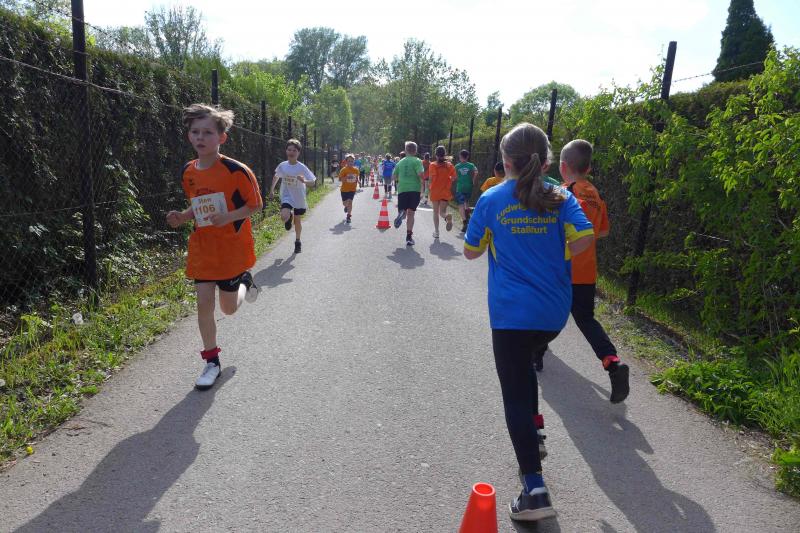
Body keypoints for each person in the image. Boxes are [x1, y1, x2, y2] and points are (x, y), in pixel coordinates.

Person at [463, 123, 594, 521]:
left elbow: (471, 251)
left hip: (511, 315)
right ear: (547, 161)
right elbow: (585, 239)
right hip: (552, 314)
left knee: (515, 394)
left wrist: (500, 236)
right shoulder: (561, 196)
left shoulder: (492, 198)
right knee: (526, 371)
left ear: (505, 161)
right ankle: (534, 431)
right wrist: (556, 250)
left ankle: (534, 491)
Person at [166, 103, 263, 390]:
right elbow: (198, 206)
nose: (200, 137)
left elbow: (255, 205)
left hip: (231, 249)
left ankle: (244, 282)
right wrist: (183, 217)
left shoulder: (236, 171)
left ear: (222, 137)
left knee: (229, 309)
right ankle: (212, 362)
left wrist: (228, 217)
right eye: (195, 131)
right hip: (204, 249)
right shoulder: (188, 171)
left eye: (207, 132)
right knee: (203, 304)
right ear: (189, 136)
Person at [534, 140, 629, 402]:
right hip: (586, 271)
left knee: (545, 312)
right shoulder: (597, 196)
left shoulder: (563, 193)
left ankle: (536, 356)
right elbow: (603, 231)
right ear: (588, 168)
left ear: (563, 167)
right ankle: (612, 362)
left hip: (560, 267)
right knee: (586, 319)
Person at [269, 139, 317, 254]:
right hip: (287, 195)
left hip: (299, 197)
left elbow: (313, 182)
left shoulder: (302, 167)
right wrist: (271, 190)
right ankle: (288, 216)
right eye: (289, 150)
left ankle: (297, 241)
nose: (291, 152)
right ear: (286, 151)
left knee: (297, 220)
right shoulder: (283, 165)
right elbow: (276, 176)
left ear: (298, 153)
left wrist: (304, 181)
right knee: (283, 216)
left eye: (294, 150)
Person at [392, 142, 424, 246]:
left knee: (404, 212)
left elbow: (393, 177)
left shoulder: (400, 162)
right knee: (411, 213)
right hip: (415, 190)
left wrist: (401, 178)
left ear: (406, 151)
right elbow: (420, 174)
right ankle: (409, 237)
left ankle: (402, 213)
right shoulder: (417, 161)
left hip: (402, 190)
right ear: (415, 151)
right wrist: (423, 189)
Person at [427, 145, 456, 239]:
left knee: (435, 212)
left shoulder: (433, 165)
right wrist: (448, 179)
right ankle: (447, 216)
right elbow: (454, 178)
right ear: (445, 154)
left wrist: (429, 188)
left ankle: (437, 232)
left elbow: (431, 178)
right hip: (445, 191)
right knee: (442, 212)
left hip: (435, 191)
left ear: (436, 154)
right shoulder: (449, 165)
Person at [454, 149, 478, 233]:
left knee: (460, 204)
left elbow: (455, 177)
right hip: (469, 186)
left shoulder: (457, 166)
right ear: (467, 157)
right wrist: (473, 180)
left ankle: (465, 222)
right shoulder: (471, 165)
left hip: (460, 187)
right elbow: (476, 172)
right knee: (466, 202)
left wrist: (455, 178)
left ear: (460, 156)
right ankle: (468, 218)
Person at [338, 154, 359, 224]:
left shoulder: (356, 170)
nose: (350, 162)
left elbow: (356, 178)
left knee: (350, 201)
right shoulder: (343, 170)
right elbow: (340, 179)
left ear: (354, 162)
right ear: (346, 162)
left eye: (352, 161)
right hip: (344, 189)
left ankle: (348, 216)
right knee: (345, 203)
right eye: (349, 161)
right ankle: (346, 207)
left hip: (352, 189)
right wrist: (346, 177)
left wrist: (358, 181)